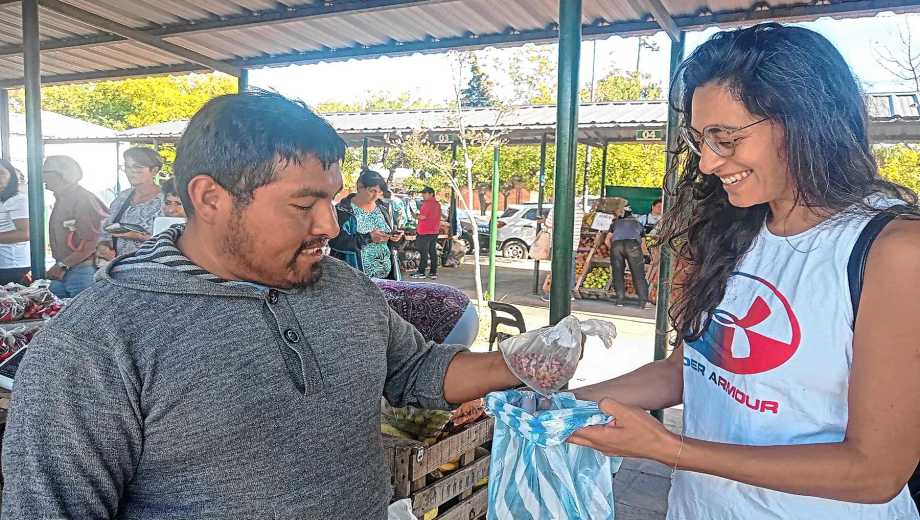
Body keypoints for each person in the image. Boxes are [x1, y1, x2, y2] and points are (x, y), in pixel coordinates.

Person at [1, 91, 523, 519]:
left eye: (332, 199)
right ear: (210, 199)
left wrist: (521, 362)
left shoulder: (345, 287)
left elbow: (415, 368)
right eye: (303, 204)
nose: (330, 225)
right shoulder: (95, 344)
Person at [569, 23, 920, 520]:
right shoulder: (730, 229)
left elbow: (875, 472)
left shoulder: (892, 251)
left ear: (805, 123)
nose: (709, 162)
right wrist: (564, 404)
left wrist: (670, 449)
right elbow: (686, 372)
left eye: (727, 138)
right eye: (700, 139)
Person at [42, 155, 109, 298]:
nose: (43, 178)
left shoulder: (83, 200)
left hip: (81, 270)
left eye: (46, 173)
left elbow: (91, 242)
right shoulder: (63, 198)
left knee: (83, 316)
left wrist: (63, 265)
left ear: (62, 175)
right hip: (67, 268)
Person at [329, 169, 402, 280]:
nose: (375, 196)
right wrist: (368, 238)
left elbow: (391, 242)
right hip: (354, 280)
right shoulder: (343, 210)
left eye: (379, 192)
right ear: (360, 186)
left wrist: (395, 238)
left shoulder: (383, 209)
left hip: (386, 278)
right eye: (372, 191)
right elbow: (335, 242)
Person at [97, 146, 165, 259]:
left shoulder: (168, 201)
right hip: (118, 268)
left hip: (151, 270)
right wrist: (103, 246)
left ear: (154, 171)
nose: (131, 172)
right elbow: (106, 230)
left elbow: (175, 241)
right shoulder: (122, 198)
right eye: (127, 167)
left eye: (138, 167)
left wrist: (139, 236)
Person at [605, 207, 650, 308]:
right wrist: (646, 255)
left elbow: (607, 240)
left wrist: (612, 249)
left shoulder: (615, 223)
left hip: (617, 246)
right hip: (633, 246)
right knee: (638, 274)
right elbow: (643, 244)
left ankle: (620, 300)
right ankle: (642, 302)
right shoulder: (638, 224)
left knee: (617, 273)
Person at [540, 201, 584, 302]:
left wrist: (544, 221)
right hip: (573, 243)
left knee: (557, 269)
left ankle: (552, 294)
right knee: (570, 269)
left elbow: (549, 223)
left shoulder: (557, 207)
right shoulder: (579, 210)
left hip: (559, 243)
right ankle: (569, 293)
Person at [0, 160, 30, 285]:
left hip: (12, 265)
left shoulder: (16, 200)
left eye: (1, 173)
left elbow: (25, 234)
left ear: (11, 176)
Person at [412, 186, 441, 280]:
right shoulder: (437, 204)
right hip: (434, 231)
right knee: (432, 252)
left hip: (425, 232)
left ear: (431, 194)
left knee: (423, 252)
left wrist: (415, 215)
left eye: (425, 193)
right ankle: (433, 272)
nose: (423, 195)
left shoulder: (427, 204)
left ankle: (421, 272)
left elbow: (422, 217)